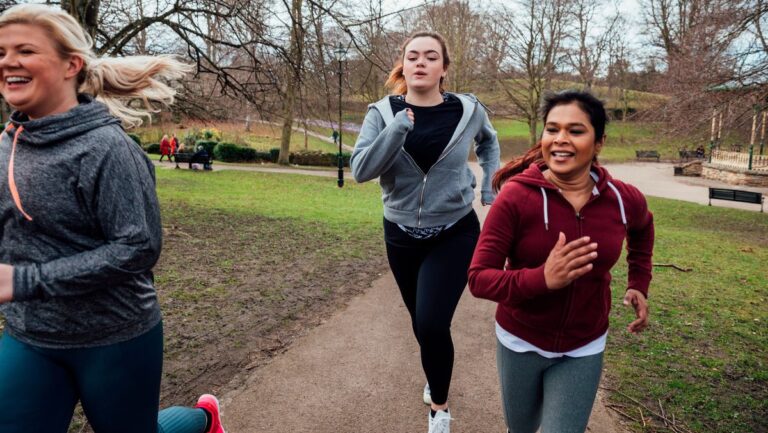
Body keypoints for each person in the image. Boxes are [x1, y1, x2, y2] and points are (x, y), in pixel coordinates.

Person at [0, 4, 225, 433]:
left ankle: (203, 419)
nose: (8, 61)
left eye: (25, 50)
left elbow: (139, 247)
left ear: (72, 65)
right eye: (0, 51)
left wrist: (24, 281)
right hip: (30, 335)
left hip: (114, 336)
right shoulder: (9, 144)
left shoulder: (107, 148)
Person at [468, 90, 654, 433]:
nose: (560, 140)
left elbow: (643, 228)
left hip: (584, 344)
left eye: (576, 130)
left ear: (598, 142)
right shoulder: (516, 197)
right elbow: (479, 279)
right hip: (520, 341)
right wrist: (543, 279)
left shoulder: (622, 198)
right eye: (552, 129)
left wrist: (638, 282)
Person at [350, 31, 500, 433]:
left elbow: (489, 142)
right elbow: (362, 170)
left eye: (430, 57)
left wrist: (488, 184)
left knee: (433, 323)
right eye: (412, 55)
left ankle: (439, 407)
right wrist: (396, 130)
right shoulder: (382, 113)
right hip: (400, 233)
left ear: (443, 68)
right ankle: (435, 373)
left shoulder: (468, 110)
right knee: (421, 322)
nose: (421, 62)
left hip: (455, 231)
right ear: (403, 64)